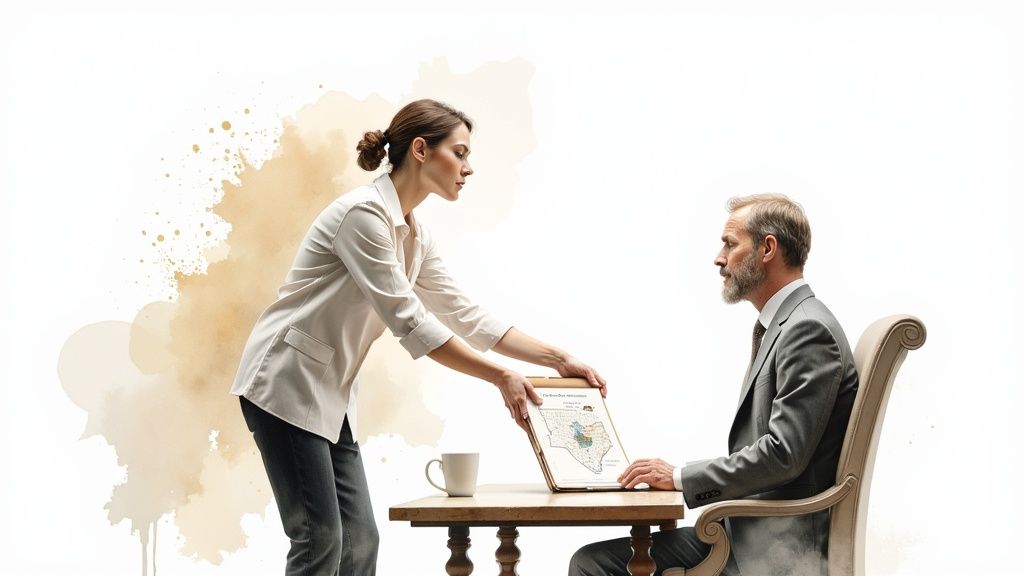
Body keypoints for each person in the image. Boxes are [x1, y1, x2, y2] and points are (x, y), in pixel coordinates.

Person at [230, 99, 606, 576]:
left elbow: (465, 314)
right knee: (319, 536)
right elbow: (410, 321)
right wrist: (500, 375)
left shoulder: (413, 232)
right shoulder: (363, 216)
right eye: (461, 153)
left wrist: (558, 358)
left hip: (330, 395)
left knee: (361, 539)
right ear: (422, 150)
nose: (468, 169)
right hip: (284, 384)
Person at [569, 194, 858, 576]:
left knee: (593, 565)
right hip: (747, 531)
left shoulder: (806, 329)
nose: (719, 258)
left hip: (772, 549)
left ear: (768, 248)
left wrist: (678, 477)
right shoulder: (789, 324)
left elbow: (783, 454)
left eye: (730, 243)